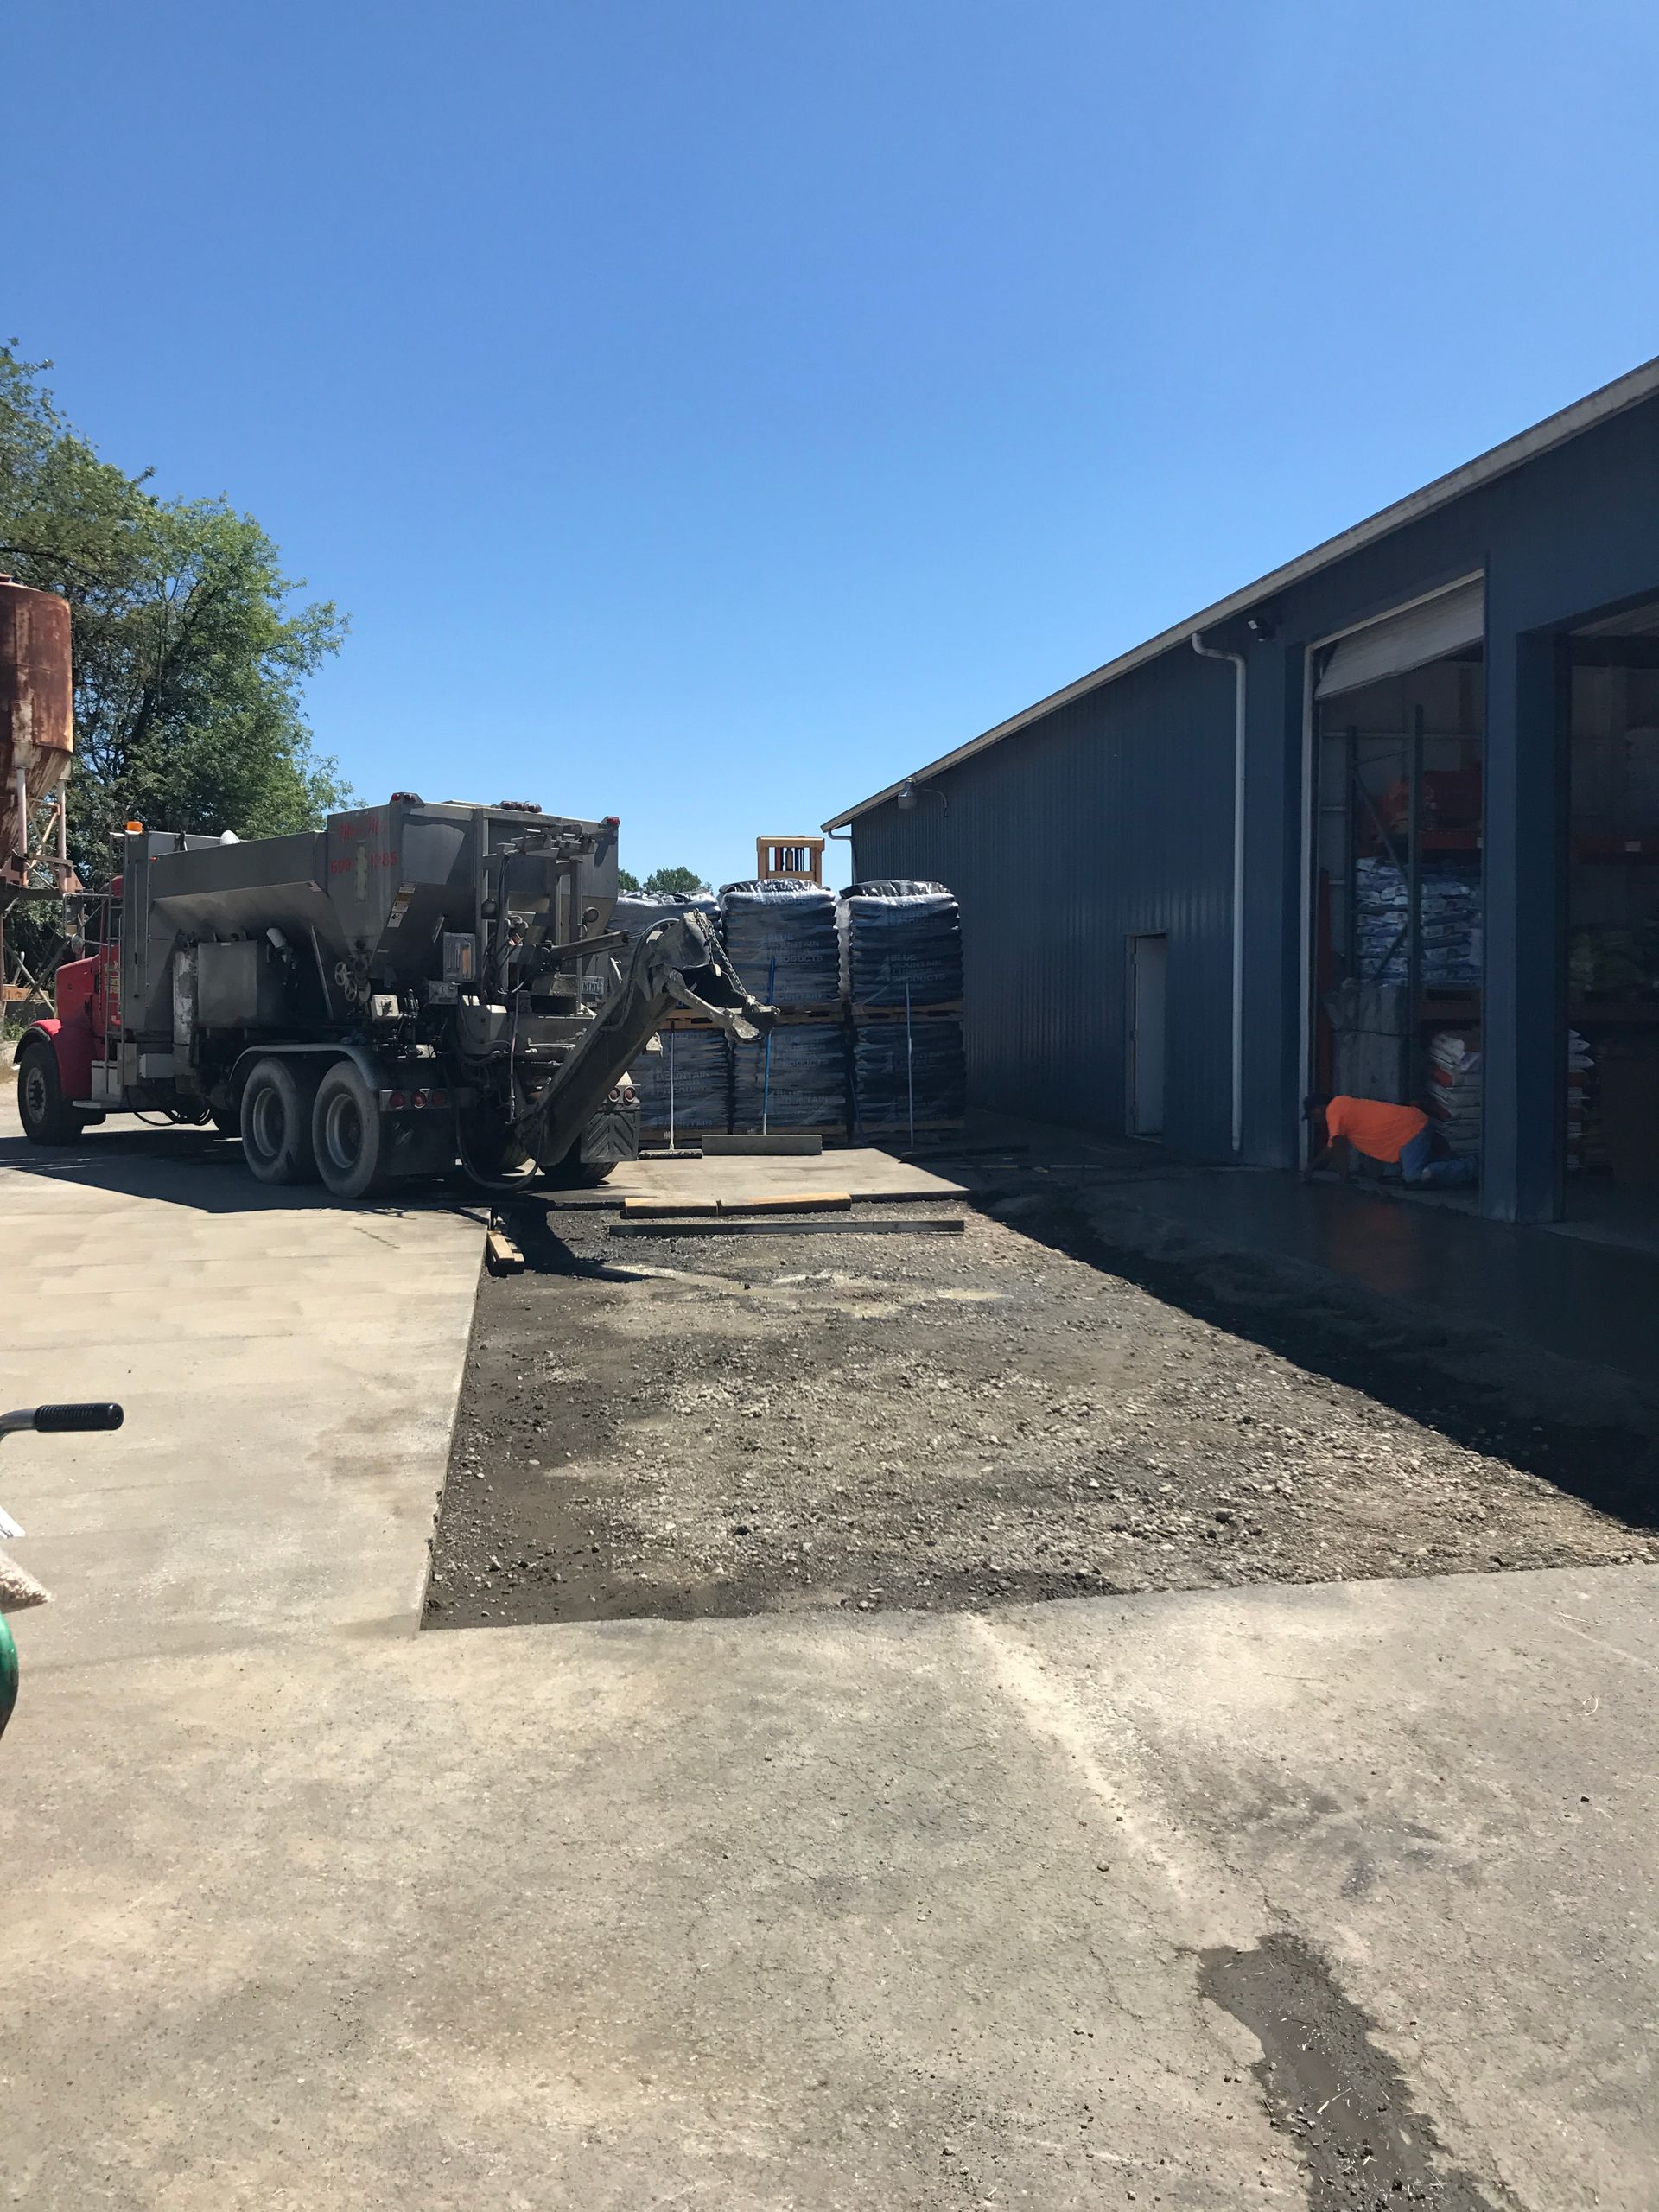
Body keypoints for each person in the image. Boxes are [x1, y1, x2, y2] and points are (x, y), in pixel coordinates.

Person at [1305, 1093, 1477, 1187]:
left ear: (1319, 1108)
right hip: (1406, 1131)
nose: (1314, 1120)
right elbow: (1332, 1149)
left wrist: (1342, 1178)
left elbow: (1337, 1147)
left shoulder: (1335, 1108)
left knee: (1414, 1177)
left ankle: (1472, 1167)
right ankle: (1452, 1162)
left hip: (1409, 1131)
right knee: (1396, 1175)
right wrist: (1314, 1170)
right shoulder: (1341, 1107)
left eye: (1312, 1116)